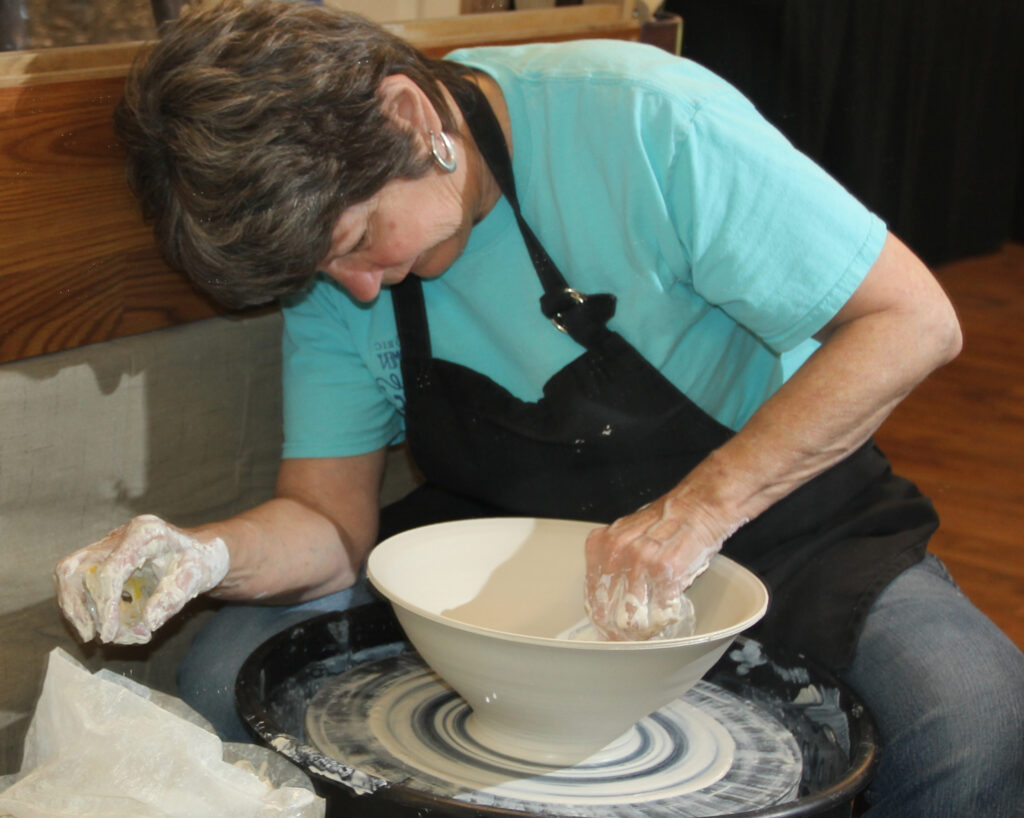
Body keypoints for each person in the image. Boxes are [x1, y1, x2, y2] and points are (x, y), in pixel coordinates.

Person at [54, 1, 1023, 815]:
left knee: (972, 718)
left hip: (769, 518)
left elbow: (912, 320)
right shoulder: (334, 272)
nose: (353, 287)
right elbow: (327, 522)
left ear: (406, 113)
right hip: (500, 530)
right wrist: (207, 553)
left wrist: (693, 514)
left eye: (357, 240)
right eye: (322, 268)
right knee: (227, 669)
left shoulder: (641, 119)